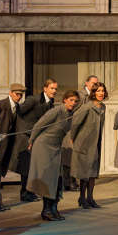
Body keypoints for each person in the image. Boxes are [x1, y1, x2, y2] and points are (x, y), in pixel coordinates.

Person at [27, 89, 80, 221]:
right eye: (71, 100)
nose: (73, 103)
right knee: (48, 178)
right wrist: (31, 141)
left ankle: (53, 208)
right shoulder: (56, 111)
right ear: (65, 100)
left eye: (75, 101)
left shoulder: (71, 114)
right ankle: (46, 210)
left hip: (55, 147)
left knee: (57, 178)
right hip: (44, 145)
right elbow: (39, 125)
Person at [12, 79, 57, 202]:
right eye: (52, 88)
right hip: (26, 136)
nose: (54, 91)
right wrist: (23, 131)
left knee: (33, 165)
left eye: (55, 89)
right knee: (26, 165)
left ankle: (30, 191)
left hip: (37, 137)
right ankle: (25, 193)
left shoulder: (50, 103)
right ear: (45, 89)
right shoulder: (33, 99)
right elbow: (20, 111)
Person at [70, 82, 107, 209]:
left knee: (93, 172)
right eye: (98, 91)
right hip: (84, 144)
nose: (101, 93)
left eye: (102, 91)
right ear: (93, 93)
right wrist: (72, 138)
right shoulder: (87, 107)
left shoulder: (103, 107)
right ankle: (82, 198)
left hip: (95, 143)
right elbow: (75, 121)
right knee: (84, 173)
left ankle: (90, 198)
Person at [0, 83, 26, 211]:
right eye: (17, 94)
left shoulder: (17, 107)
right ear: (10, 93)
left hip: (6, 147)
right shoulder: (0, 105)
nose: (19, 97)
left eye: (21, 95)